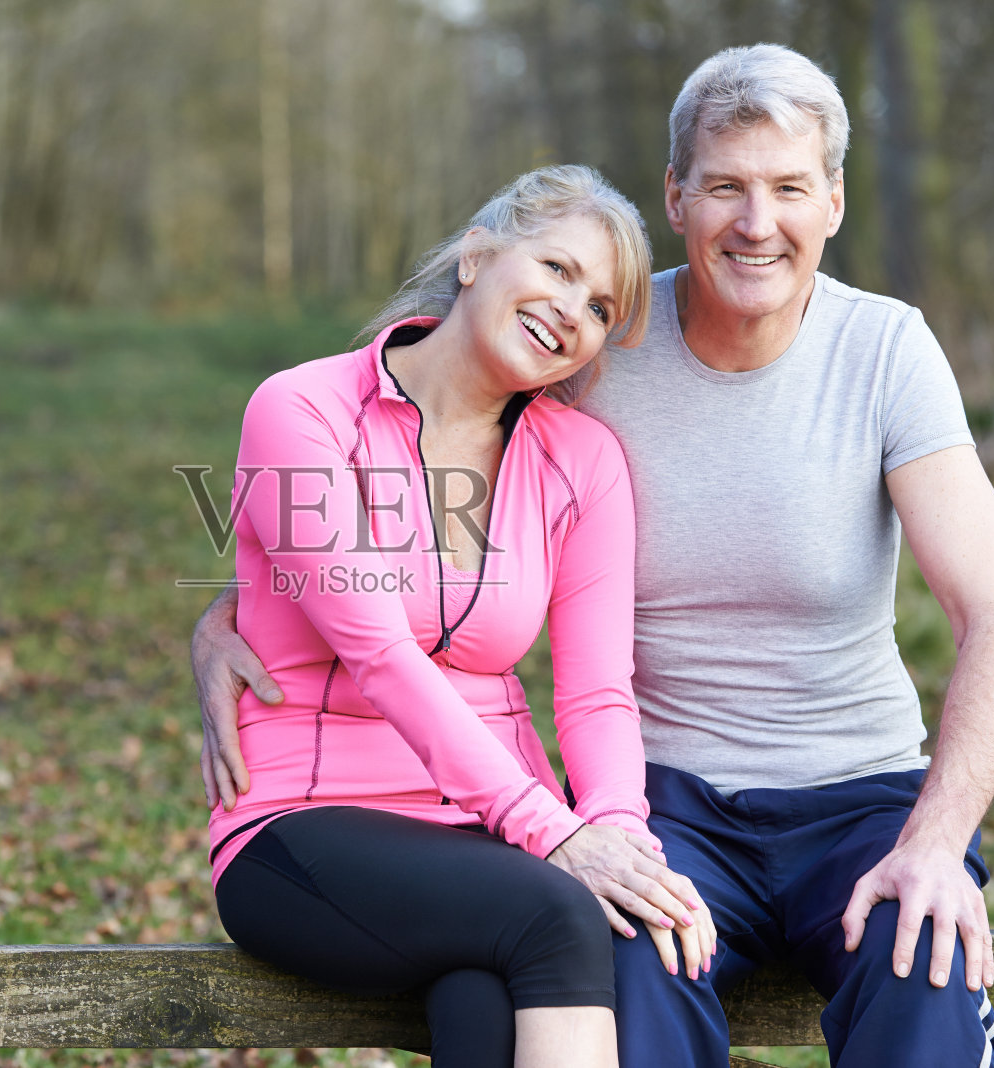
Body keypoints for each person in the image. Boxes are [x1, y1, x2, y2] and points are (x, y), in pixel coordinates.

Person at [194, 46, 994, 1068]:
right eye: (726, 186)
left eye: (787, 189)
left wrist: (935, 843)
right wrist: (228, 613)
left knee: (922, 979)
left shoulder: (871, 354)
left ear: (834, 202)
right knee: (606, 957)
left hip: (853, 794)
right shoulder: (601, 362)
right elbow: (365, 538)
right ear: (677, 195)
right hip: (658, 798)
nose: (756, 222)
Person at [203, 164, 716, 1068]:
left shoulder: (583, 461)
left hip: (486, 842)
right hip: (304, 821)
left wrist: (620, 837)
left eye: (600, 307)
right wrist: (558, 836)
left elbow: (597, 695)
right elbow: (380, 654)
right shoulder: (303, 410)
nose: (572, 311)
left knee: (492, 993)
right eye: (558, 268)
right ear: (476, 256)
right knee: (554, 915)